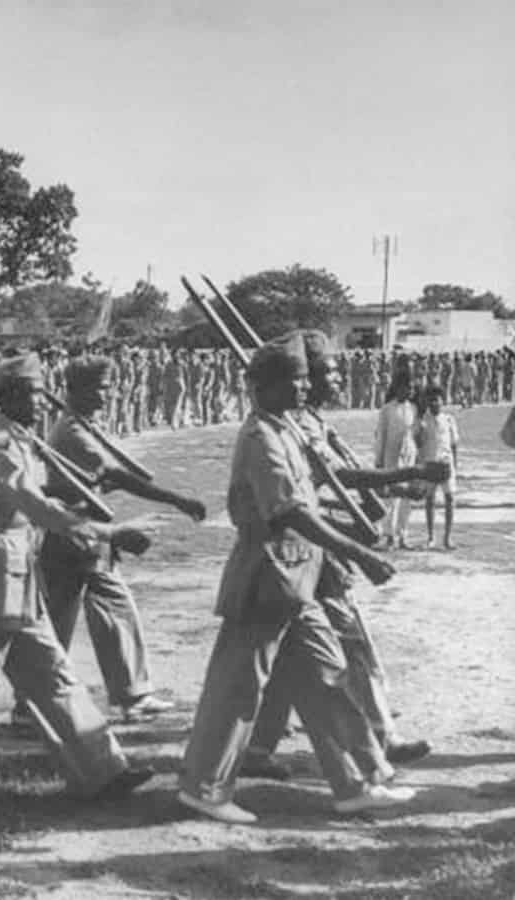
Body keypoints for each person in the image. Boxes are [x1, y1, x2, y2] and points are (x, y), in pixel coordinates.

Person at [0, 355, 155, 809]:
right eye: (29, 394)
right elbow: (34, 505)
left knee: (53, 675)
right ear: (7, 398)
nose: (40, 401)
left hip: (18, 573)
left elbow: (38, 500)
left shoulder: (20, 440)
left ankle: (102, 771)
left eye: (40, 392)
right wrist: (108, 532)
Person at [177, 335, 413, 825]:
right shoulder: (262, 438)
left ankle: (357, 783)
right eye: (294, 380)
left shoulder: (287, 429)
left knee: (329, 678)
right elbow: (289, 511)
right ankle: (204, 789)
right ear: (263, 387)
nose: (304, 388)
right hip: (266, 578)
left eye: (306, 378)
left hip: (297, 579)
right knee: (235, 689)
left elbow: (326, 484)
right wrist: (358, 552)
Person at [242, 330, 441, 780]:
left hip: (310, 548)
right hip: (307, 551)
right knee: (347, 643)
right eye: (327, 371)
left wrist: (401, 484)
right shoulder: (294, 425)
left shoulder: (305, 418)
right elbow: (337, 479)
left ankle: (256, 748)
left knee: (293, 652)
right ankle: (379, 736)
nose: (335, 378)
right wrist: (405, 472)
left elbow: (338, 482)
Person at [32, 356, 206, 724]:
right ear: (75, 390)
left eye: (107, 387)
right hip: (77, 535)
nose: (105, 395)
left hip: (81, 535)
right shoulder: (74, 433)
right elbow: (119, 476)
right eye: (98, 388)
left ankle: (115, 695)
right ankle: (124, 696)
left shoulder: (80, 426)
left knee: (83, 616)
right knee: (87, 615)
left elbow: (101, 478)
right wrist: (177, 499)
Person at [374, 375, 419, 549]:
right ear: (397, 388)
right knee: (391, 498)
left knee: (406, 497)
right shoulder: (387, 409)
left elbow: (414, 435)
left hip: (408, 457)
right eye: (405, 388)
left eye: (411, 389)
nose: (408, 391)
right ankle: (389, 534)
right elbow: (380, 435)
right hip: (390, 457)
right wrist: (379, 459)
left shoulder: (413, 409)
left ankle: (402, 534)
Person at [416, 385, 460, 550]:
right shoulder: (423, 421)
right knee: (430, 500)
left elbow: (454, 444)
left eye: (437, 400)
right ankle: (430, 537)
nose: (434, 403)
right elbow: (419, 444)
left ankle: (448, 537)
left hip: (446, 464)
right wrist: (420, 429)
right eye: (431, 400)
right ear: (427, 402)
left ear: (443, 401)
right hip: (429, 464)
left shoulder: (449, 419)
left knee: (450, 499)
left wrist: (455, 465)